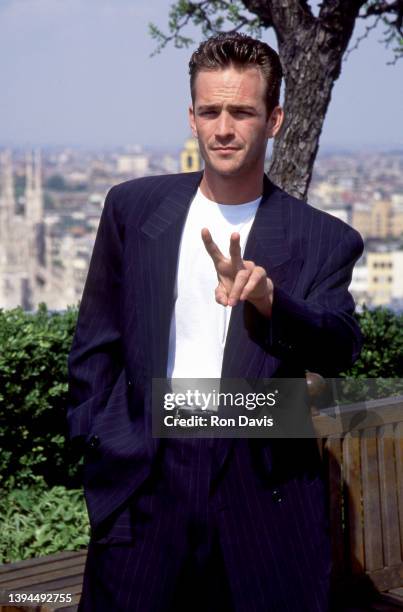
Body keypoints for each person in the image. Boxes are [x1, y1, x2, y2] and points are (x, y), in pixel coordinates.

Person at [67, 32, 364, 612]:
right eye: (211, 111)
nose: (224, 128)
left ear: (274, 119)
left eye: (242, 112)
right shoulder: (132, 207)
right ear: (192, 116)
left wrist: (271, 300)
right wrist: (102, 447)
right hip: (146, 482)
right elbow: (95, 343)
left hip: (263, 490)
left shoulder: (323, 238)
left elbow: (341, 348)